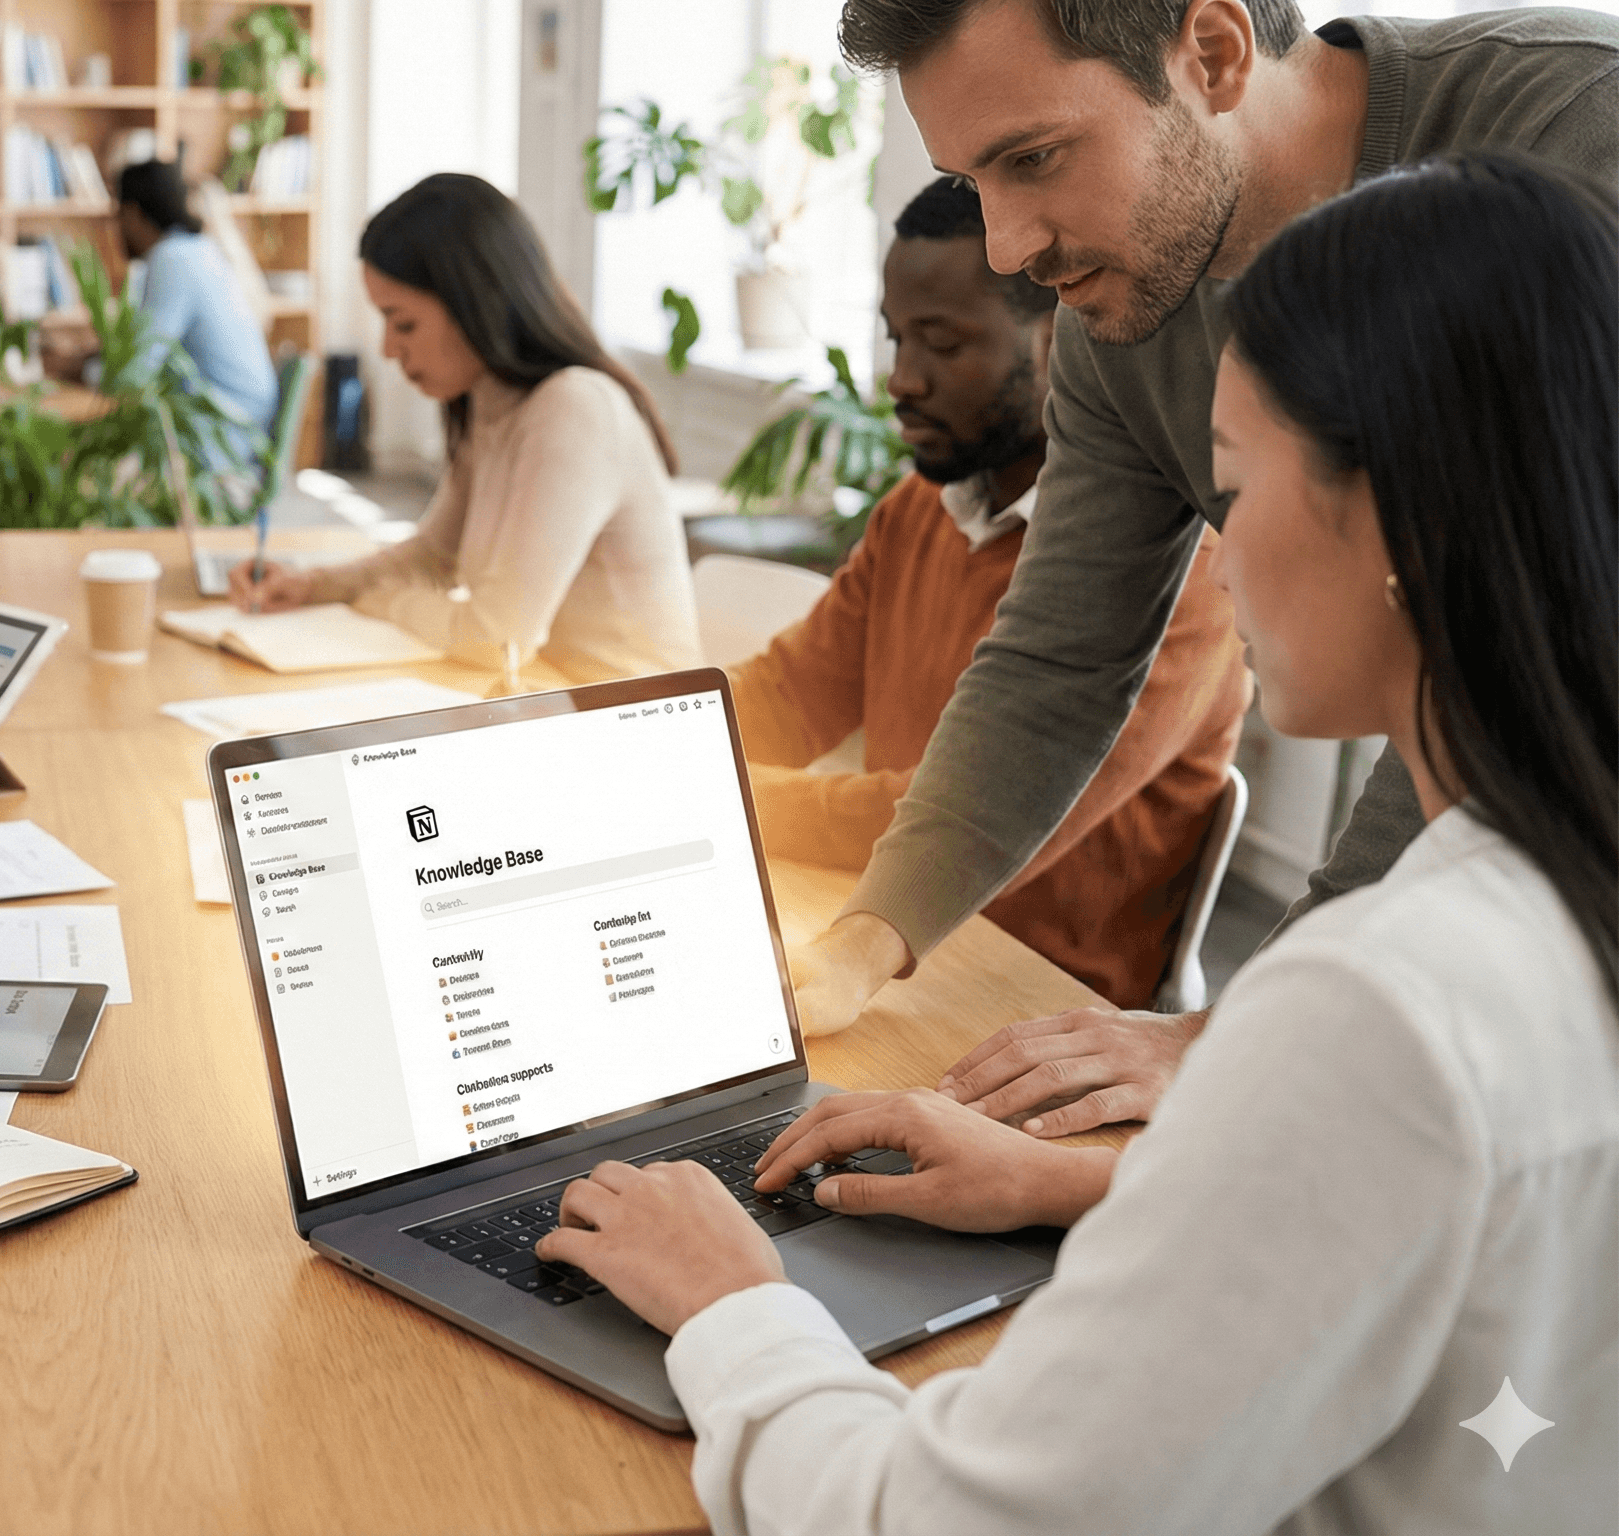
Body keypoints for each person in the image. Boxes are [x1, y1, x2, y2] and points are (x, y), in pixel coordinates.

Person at [542, 149, 1618, 1536]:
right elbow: (1416, 1219)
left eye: (1230, 488)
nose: (1215, 550)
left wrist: (734, 1302)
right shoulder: (1552, 897)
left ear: (1395, 511)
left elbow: (934, 1518)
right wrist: (1067, 1183)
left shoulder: (1374, 1004)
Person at [794, 0, 1619, 1137]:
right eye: (973, 179)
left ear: (1214, 52)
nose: (1005, 250)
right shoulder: (1113, 316)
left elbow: (1515, 675)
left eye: (1032, 158)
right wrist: (864, 940)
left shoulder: (1580, 123)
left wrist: (1253, 1029)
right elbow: (1058, 659)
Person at [735, 176, 1247, 1013]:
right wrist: (645, 739)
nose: (902, 381)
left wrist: (729, 796)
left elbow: (941, 812)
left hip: (1029, 1008)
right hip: (875, 939)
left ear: (1062, 341)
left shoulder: (1187, 575)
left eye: (941, 343)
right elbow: (789, 693)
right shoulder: (919, 510)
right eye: (898, 340)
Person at [230, 173, 700, 685]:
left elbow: (498, 639)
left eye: (403, 323)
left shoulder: (574, 409)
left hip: (638, 732)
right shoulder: (489, 402)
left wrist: (379, 602)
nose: (388, 349)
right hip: (550, 701)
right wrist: (314, 585)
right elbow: (434, 557)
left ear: (477, 305)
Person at [109, 160, 278, 432]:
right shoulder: (196, 249)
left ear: (133, 212)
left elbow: (138, 367)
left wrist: (89, 372)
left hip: (227, 425)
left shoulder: (172, 259)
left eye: (117, 215)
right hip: (242, 413)